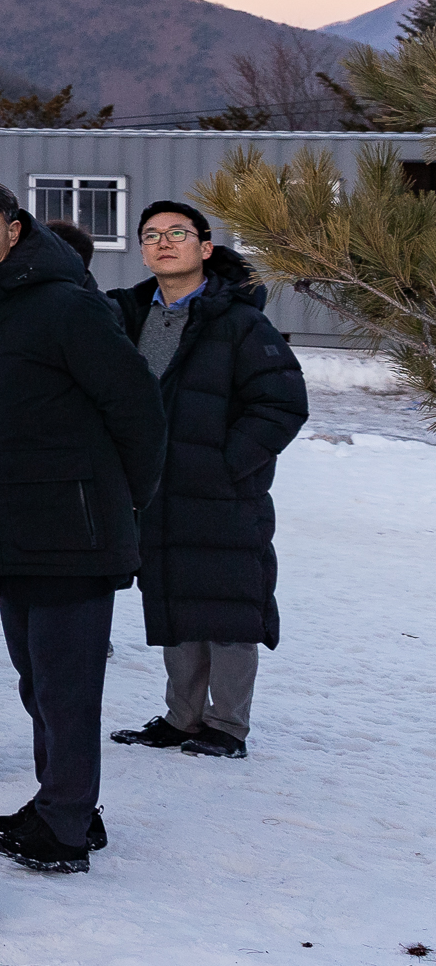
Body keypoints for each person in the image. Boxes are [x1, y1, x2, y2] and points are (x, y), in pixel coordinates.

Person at [0, 178, 166, 876]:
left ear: (14, 230)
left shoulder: (66, 306)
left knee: (66, 689)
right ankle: (67, 805)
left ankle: (63, 826)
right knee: (39, 682)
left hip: (73, 531)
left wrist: (123, 504)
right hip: (3, 533)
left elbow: (138, 411)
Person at [105, 201, 307, 760]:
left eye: (178, 233)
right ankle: (182, 717)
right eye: (151, 235)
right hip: (152, 491)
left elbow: (281, 404)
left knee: (229, 605)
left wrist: (226, 467)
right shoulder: (126, 314)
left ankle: (226, 725)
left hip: (222, 494)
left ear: (205, 247)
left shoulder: (240, 321)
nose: (164, 242)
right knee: (173, 598)